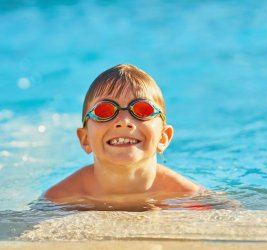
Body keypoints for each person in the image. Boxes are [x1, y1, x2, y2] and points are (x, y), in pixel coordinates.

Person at [44, 64, 203, 211]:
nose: (124, 122)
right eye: (104, 111)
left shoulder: (185, 195)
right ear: (85, 139)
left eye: (142, 110)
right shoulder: (60, 198)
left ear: (163, 138)